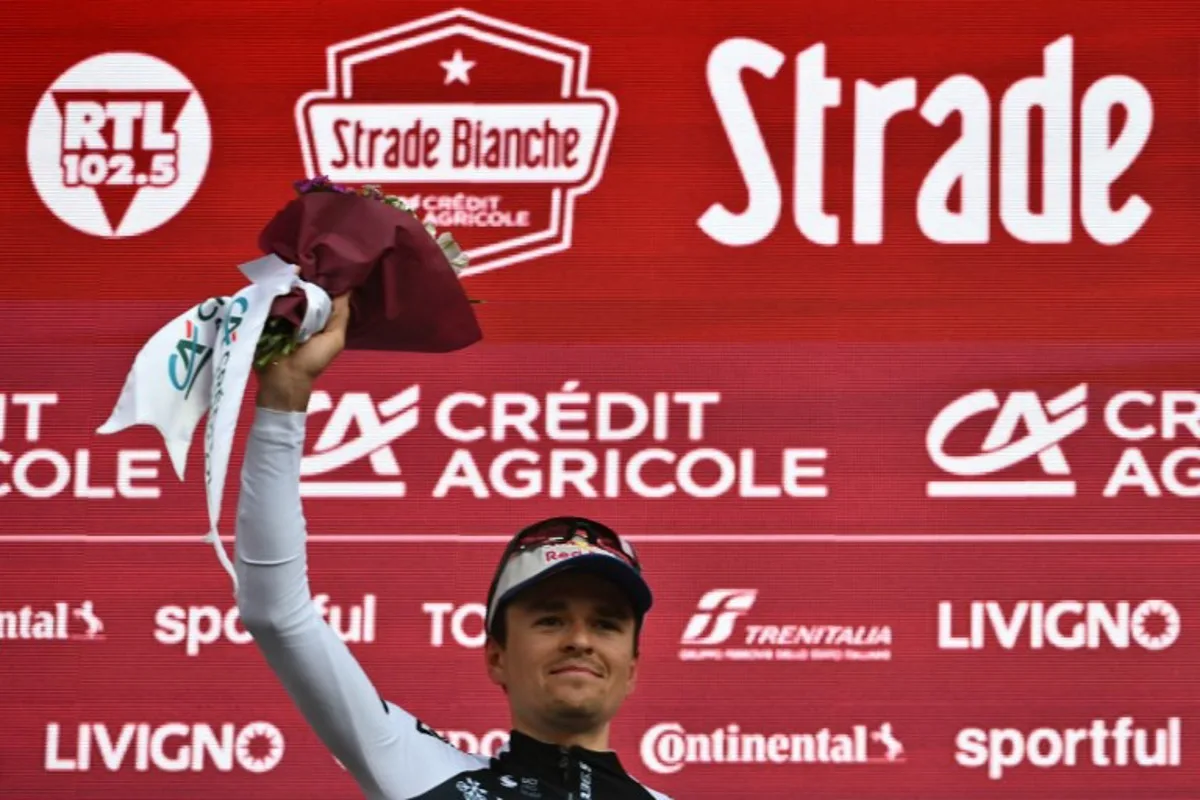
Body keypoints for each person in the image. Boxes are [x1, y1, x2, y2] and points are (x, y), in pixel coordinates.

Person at [234, 293, 673, 799]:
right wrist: (283, 402)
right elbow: (276, 613)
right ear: (496, 657)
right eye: (550, 618)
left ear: (633, 667)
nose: (580, 639)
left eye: (606, 623)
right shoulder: (421, 772)